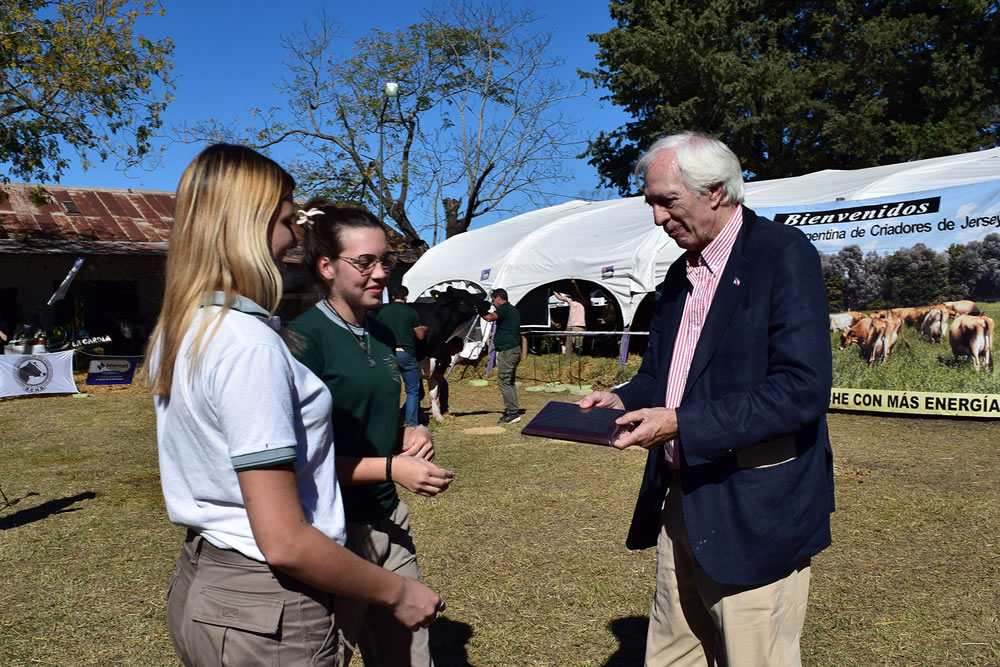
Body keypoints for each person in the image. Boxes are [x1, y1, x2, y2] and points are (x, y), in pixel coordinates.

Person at [145, 144, 443, 666]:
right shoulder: (250, 344)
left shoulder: (185, 328)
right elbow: (283, 539)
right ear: (249, 225)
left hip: (209, 578)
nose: (292, 239)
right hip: (266, 599)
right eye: (286, 220)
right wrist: (398, 591)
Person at [579, 131, 834, 666]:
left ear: (715, 191)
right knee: (673, 653)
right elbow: (662, 378)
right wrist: (622, 400)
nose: (656, 217)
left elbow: (801, 390)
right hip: (684, 499)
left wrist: (682, 425)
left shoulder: (782, 255)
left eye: (666, 201)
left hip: (755, 507)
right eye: (650, 202)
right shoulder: (679, 273)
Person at [288, 200, 455, 667]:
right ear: (326, 266)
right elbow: (297, 466)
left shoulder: (380, 334)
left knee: (409, 658)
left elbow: (376, 419)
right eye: (365, 262)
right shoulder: (302, 342)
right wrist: (391, 466)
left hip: (388, 520)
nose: (380, 272)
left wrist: (410, 432)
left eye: (386, 260)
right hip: (330, 535)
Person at [377, 285, 428, 427]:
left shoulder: (383, 312)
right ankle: (411, 424)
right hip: (406, 354)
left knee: (391, 389)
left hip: (389, 355)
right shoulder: (411, 312)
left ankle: (389, 422)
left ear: (393, 297)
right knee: (412, 390)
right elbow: (420, 336)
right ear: (406, 296)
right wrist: (423, 329)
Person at [481, 288, 522, 424]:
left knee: (504, 382)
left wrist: (478, 310)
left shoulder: (505, 308)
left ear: (499, 298)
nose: (493, 304)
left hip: (508, 351)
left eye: (493, 300)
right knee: (509, 382)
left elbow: (489, 317)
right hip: (513, 350)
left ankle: (512, 413)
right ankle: (513, 410)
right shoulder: (512, 309)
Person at [552, 280, 587, 360]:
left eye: (574, 291)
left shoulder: (583, 300)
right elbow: (559, 297)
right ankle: (568, 361)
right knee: (569, 345)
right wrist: (553, 288)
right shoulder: (570, 300)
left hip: (579, 326)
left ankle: (579, 360)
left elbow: (579, 292)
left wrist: (575, 284)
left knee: (578, 345)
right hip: (570, 325)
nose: (573, 293)